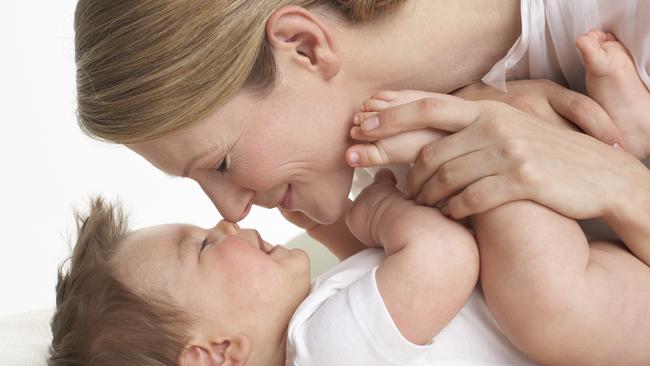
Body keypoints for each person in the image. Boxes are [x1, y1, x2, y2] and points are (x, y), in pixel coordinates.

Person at [70, 0, 650, 363]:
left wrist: (621, 181)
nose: (234, 212)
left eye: (220, 163)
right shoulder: (378, 155)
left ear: (305, 45)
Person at [50, 177, 489, 366]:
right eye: (203, 245)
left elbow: (388, 296)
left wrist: (330, 226)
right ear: (215, 354)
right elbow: (446, 257)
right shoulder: (328, 349)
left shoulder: (318, 343)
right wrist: (378, 212)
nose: (226, 224)